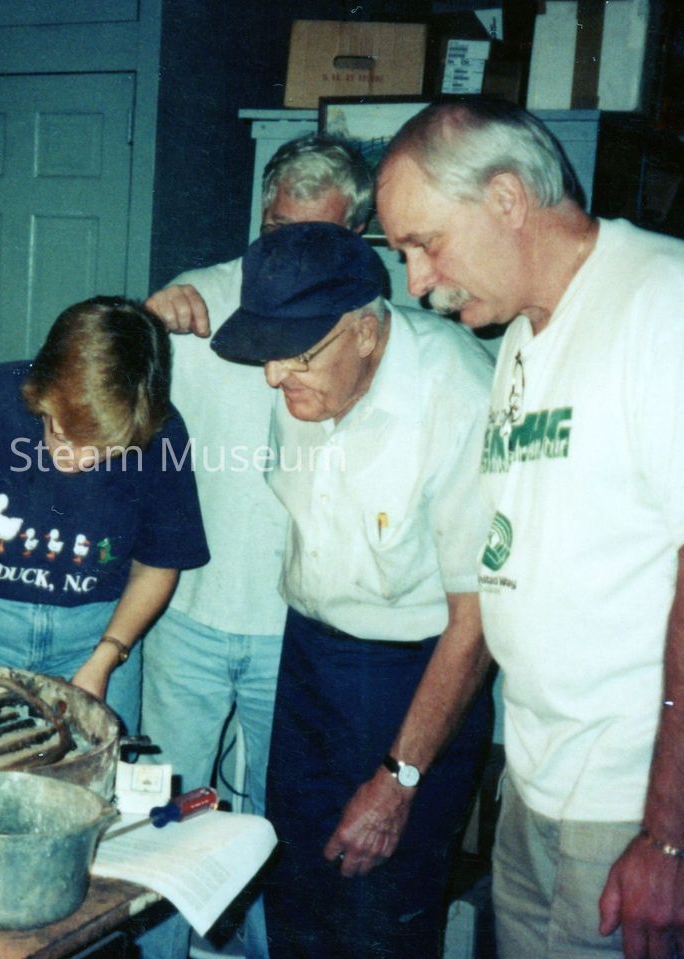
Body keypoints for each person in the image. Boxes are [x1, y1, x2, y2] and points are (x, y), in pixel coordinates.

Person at [376, 97, 684, 959]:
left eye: (424, 243)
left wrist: (673, 839)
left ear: (506, 198)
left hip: (663, 803)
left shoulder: (676, 303)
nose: (417, 281)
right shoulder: (522, 338)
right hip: (555, 784)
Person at [209, 222, 496, 958]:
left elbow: (478, 623)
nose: (274, 377)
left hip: (414, 677)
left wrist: (399, 779)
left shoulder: (458, 394)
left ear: (366, 331)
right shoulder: (309, 376)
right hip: (310, 657)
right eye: (267, 354)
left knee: (380, 915)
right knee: (296, 891)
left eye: (296, 355)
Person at [139, 133, 372, 959]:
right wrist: (144, 323)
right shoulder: (197, 297)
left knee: (280, 817)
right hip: (187, 614)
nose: (291, 250)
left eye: (317, 233)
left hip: (297, 627)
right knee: (167, 809)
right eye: (278, 228)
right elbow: (105, 384)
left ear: (356, 231)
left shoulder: (370, 320)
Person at [0, 296, 209, 731]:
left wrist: (105, 658)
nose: (77, 462)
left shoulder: (162, 434)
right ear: (40, 394)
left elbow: (156, 566)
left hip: (94, 638)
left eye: (104, 451)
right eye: (62, 437)